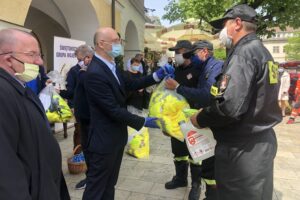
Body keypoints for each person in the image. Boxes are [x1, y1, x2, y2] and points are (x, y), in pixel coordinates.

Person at [190, 4, 282, 200]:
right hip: (260, 143)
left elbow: (229, 107)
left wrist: (201, 118)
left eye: (224, 25)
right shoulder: (264, 53)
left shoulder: (243, 54)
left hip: (242, 148)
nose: (221, 32)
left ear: (238, 23)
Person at [82, 27, 173, 200]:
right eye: (116, 41)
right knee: (96, 187)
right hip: (103, 141)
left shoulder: (111, 66)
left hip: (116, 137)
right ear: (102, 44)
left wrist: (156, 75)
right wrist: (143, 121)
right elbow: (112, 110)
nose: (120, 45)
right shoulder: (95, 72)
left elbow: (131, 83)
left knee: (110, 184)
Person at [0, 28, 70, 199]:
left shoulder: (18, 84)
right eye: (32, 55)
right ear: (8, 58)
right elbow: (5, 167)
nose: (39, 62)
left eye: (40, 55)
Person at [165, 40, 223, 200]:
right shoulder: (176, 69)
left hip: (195, 117)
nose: (177, 55)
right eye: (175, 52)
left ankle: (196, 186)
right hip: (177, 118)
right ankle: (180, 179)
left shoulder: (200, 69)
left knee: (196, 153)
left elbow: (204, 93)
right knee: (178, 151)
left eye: (180, 51)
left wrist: (177, 87)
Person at [59, 44, 92, 150]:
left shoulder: (75, 70)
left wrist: (60, 92)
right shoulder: (95, 68)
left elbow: (70, 92)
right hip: (89, 108)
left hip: (82, 108)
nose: (79, 61)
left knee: (80, 133)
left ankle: (79, 157)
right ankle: (81, 157)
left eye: (79, 58)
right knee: (83, 133)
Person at [73, 45, 94, 190]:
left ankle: (91, 179)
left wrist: (82, 73)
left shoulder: (90, 72)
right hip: (83, 117)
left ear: (88, 58)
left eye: (80, 59)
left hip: (92, 118)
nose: (79, 62)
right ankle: (90, 176)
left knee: (91, 149)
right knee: (87, 148)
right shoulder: (79, 71)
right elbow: (74, 91)